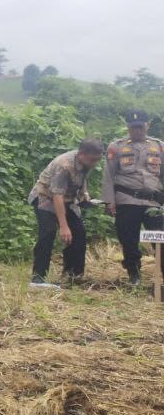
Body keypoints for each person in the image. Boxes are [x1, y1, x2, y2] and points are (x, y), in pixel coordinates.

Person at [27, 139, 104, 287]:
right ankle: (38, 279)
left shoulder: (86, 162)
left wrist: (84, 195)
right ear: (82, 154)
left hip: (67, 200)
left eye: (98, 159)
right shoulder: (64, 165)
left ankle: (73, 275)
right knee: (48, 233)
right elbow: (57, 196)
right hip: (45, 198)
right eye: (93, 159)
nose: (95, 163)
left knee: (79, 233)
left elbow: (81, 180)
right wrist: (63, 226)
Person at [102, 110, 164, 286]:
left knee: (159, 238)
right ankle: (134, 275)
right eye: (133, 128)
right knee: (128, 239)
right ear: (128, 127)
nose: (137, 131)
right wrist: (109, 201)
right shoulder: (117, 146)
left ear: (148, 125)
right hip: (127, 200)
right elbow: (108, 175)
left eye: (141, 127)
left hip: (153, 202)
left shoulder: (159, 146)